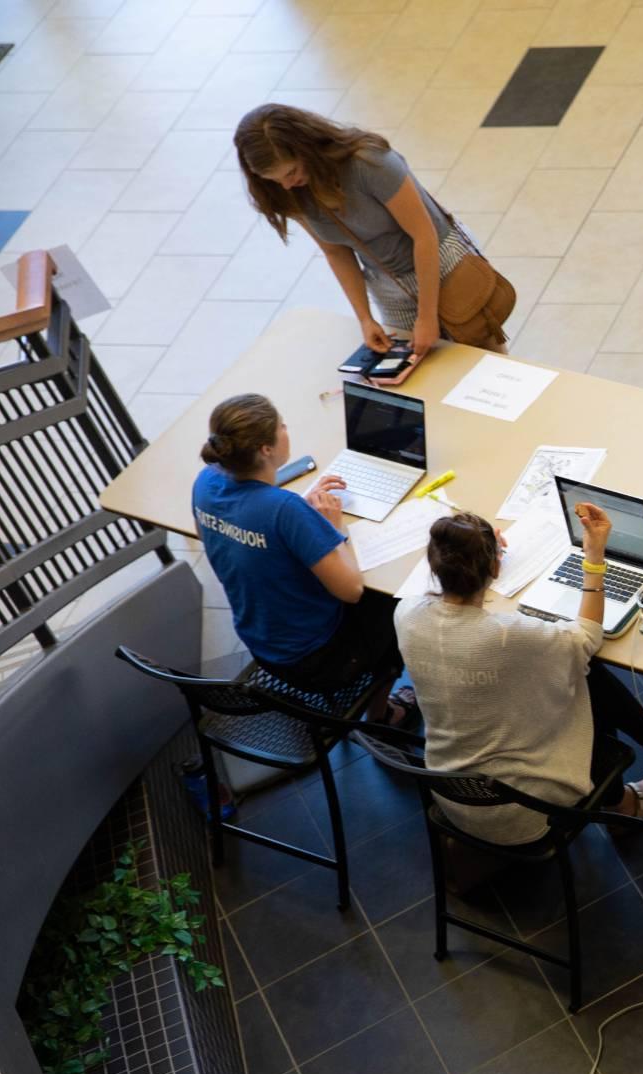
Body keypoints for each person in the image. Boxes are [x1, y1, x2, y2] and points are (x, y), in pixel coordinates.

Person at [395, 508, 643, 843]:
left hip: (455, 792)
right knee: (583, 673)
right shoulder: (505, 636)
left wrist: (481, 557)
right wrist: (593, 559)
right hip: (520, 809)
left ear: (434, 564)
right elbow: (587, 638)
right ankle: (630, 799)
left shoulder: (406, 613)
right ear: (495, 567)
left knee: (569, 668)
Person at [192, 393, 411, 724]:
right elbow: (350, 590)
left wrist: (300, 522)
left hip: (260, 640)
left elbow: (239, 537)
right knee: (396, 604)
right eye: (282, 425)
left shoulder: (205, 482)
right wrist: (329, 528)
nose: (286, 429)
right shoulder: (283, 509)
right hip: (317, 660)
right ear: (266, 449)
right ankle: (381, 715)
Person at [233, 103, 504, 363]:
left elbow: (424, 235)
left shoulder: (370, 162)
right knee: (422, 375)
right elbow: (335, 251)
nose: (287, 185)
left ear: (306, 148)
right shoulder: (286, 193)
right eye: (276, 180)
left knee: (486, 359)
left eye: (291, 172)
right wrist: (365, 318)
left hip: (444, 262)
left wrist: (426, 316)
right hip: (388, 282)